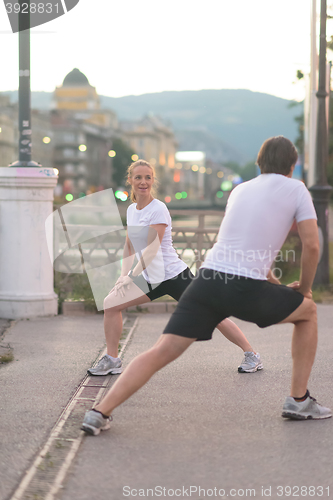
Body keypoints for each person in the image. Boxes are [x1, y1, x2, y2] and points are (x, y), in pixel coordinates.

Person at [82, 137, 331, 436]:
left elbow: (243, 246)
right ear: (292, 166)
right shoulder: (296, 188)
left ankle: (99, 412)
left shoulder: (240, 190)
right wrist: (303, 289)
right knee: (308, 312)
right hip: (244, 285)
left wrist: (275, 283)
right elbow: (312, 246)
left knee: (163, 349)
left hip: (208, 278)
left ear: (258, 162)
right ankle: (298, 399)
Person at [88, 159, 262, 378]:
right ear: (130, 180)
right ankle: (112, 360)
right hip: (149, 276)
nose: (143, 182)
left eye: (148, 177)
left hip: (172, 275)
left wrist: (131, 276)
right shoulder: (132, 210)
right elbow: (129, 245)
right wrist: (123, 275)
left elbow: (152, 249)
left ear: (153, 181)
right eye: (139, 177)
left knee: (213, 314)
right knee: (111, 304)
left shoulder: (158, 209)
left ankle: (252, 354)